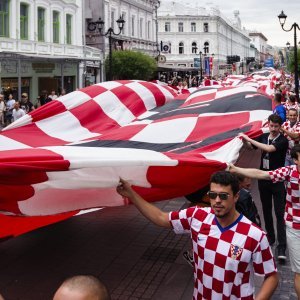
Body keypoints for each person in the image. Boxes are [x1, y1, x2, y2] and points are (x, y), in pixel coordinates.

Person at [117, 171, 278, 299]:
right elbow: (161, 218)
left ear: (236, 197)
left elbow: (271, 276)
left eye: (223, 196)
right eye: (212, 195)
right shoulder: (197, 216)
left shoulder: (254, 235)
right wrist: (132, 194)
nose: (216, 200)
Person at [229, 144, 300, 299]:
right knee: (299, 273)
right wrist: (237, 170)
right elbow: (262, 174)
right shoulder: (289, 172)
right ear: (295, 160)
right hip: (295, 228)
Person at [238, 113, 288, 259]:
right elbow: (250, 148)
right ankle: (271, 238)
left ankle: (281, 247)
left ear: (280, 127)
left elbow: (268, 149)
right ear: (268, 124)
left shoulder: (282, 141)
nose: (273, 129)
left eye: (276, 126)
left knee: (279, 213)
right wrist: (244, 141)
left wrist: (248, 138)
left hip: (277, 180)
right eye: (271, 126)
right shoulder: (264, 136)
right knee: (266, 210)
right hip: (263, 179)